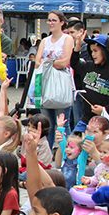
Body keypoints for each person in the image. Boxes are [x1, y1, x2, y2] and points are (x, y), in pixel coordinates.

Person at [69, 34, 109, 131]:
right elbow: (74, 63)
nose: (93, 54)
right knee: (74, 140)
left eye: (96, 51)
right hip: (86, 120)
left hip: (105, 123)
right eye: (91, 51)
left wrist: (105, 109)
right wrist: (77, 48)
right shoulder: (88, 66)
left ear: (105, 51)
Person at [36, 11, 75, 147]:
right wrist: (52, 62)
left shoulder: (67, 39)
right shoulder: (44, 41)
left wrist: (47, 62)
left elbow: (65, 61)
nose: (51, 23)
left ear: (61, 22)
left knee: (63, 123)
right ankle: (48, 151)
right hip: (44, 82)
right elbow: (37, 61)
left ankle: (67, 151)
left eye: (54, 20)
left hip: (60, 83)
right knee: (47, 124)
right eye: (49, 20)